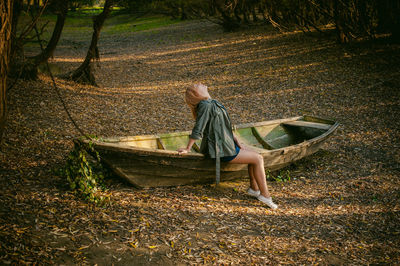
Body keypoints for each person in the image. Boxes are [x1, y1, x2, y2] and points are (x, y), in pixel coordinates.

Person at [177, 84, 278, 210]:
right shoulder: (206, 105)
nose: (200, 84)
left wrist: (237, 141)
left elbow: (224, 126)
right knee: (258, 159)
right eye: (196, 86)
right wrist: (188, 148)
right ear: (197, 94)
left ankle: (254, 189)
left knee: (254, 157)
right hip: (220, 149)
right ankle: (265, 195)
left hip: (227, 144)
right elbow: (199, 128)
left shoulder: (211, 102)